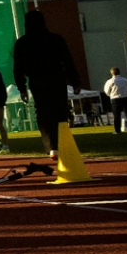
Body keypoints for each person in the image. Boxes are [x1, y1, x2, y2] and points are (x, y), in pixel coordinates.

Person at [13, 9, 80, 164]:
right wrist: (75, 81)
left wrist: (22, 88)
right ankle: (62, 144)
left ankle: (51, 147)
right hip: (57, 78)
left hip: (37, 80)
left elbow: (18, 68)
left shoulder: (22, 43)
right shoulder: (56, 39)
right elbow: (68, 61)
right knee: (60, 111)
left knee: (43, 113)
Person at [103, 67, 127, 134]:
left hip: (115, 99)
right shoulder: (125, 80)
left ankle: (117, 130)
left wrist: (111, 95)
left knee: (117, 115)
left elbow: (107, 91)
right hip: (125, 98)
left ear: (112, 73)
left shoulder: (110, 81)